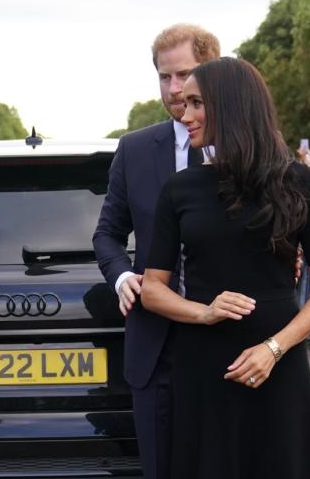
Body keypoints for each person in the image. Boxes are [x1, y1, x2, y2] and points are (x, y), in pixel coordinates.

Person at [140, 57, 310, 478]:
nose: (185, 113)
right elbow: (153, 288)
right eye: (185, 104)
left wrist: (273, 348)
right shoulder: (180, 189)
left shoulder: (300, 183)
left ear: (230, 106)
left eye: (197, 103)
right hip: (203, 366)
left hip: (278, 365)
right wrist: (204, 311)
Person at [92, 24, 220, 477]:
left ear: (212, 72)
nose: (173, 89)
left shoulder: (248, 150)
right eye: (164, 77)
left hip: (226, 339)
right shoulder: (135, 149)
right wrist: (123, 277)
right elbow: (106, 234)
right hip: (155, 345)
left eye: (183, 75)